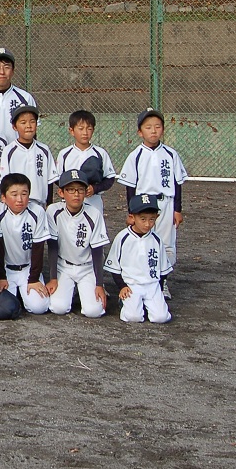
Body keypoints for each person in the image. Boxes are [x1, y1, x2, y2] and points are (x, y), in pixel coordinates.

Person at [116, 108, 188, 299]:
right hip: (143, 205)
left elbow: (177, 183)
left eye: (157, 126)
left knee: (166, 245)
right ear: (140, 132)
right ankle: (143, 281)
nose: (153, 131)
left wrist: (177, 209)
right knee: (145, 242)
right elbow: (130, 187)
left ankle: (162, 283)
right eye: (148, 127)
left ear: (163, 129)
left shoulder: (171, 154)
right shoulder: (136, 155)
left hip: (166, 203)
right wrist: (131, 212)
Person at [0, 172, 52, 315]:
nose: (20, 199)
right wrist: (1, 277)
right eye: (14, 194)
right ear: (3, 197)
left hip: (27, 268)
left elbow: (39, 248)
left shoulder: (37, 212)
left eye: (24, 194)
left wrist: (33, 279)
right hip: (5, 269)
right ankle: (17, 294)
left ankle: (23, 293)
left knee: (39, 308)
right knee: (4, 309)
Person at [45, 169, 109, 319]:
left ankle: (83, 290)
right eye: (71, 190)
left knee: (94, 311)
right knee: (58, 307)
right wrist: (53, 278)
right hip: (64, 266)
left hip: (87, 268)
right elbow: (52, 246)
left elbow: (98, 250)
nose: (76, 194)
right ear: (61, 193)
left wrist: (99, 284)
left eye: (80, 190)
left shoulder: (94, 214)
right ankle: (73, 291)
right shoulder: (53, 211)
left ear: (86, 192)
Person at [104, 193, 171, 324]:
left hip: (152, 285)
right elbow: (114, 267)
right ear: (132, 217)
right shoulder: (123, 237)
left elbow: (163, 270)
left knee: (160, 318)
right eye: (143, 219)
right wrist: (122, 286)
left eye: (152, 219)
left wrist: (160, 289)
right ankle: (126, 302)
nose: (147, 224)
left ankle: (147, 305)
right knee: (133, 317)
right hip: (131, 285)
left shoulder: (156, 240)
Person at [53, 109, 117, 215]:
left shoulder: (100, 153)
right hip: (69, 203)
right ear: (72, 131)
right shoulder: (64, 154)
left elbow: (109, 178)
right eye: (81, 128)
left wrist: (95, 188)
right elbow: (57, 178)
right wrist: (72, 190)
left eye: (89, 128)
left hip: (93, 202)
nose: (85, 133)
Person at [0, 106, 55, 208]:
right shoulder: (9, 150)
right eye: (23, 122)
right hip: (16, 203)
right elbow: (4, 180)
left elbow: (50, 180)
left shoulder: (44, 149)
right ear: (14, 127)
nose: (28, 126)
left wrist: (49, 204)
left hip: (39, 203)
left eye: (32, 122)